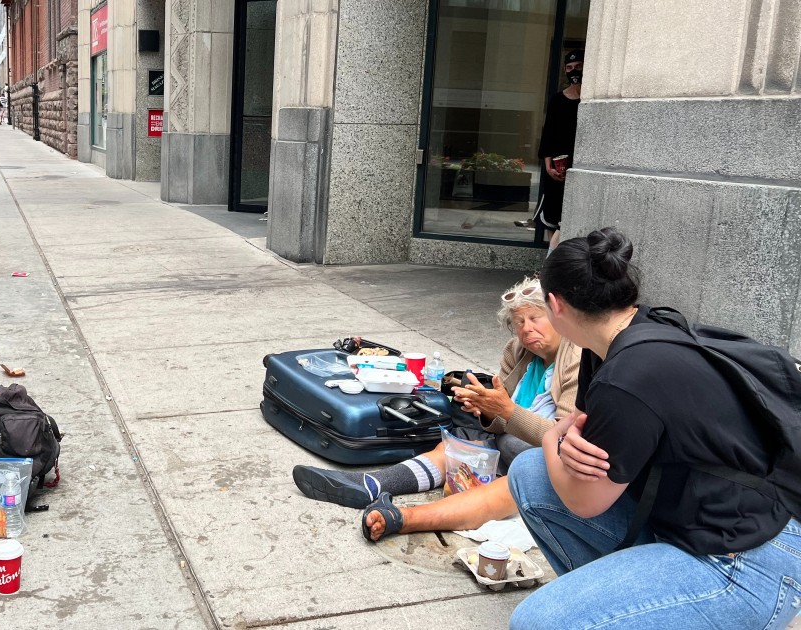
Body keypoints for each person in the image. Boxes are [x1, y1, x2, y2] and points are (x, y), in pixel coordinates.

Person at [506, 228, 801, 628]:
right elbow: (586, 434)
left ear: (555, 306)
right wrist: (566, 440)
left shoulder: (628, 375)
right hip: (707, 523)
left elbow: (584, 502)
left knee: (538, 622)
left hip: (745, 560)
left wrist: (549, 437)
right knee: (530, 474)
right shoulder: (634, 332)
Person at [291, 277, 580, 541]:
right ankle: (371, 484)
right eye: (518, 322)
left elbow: (561, 440)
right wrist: (485, 408)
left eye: (535, 318)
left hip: (549, 463)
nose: (526, 329)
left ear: (556, 316)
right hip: (509, 443)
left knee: (519, 480)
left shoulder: (576, 358)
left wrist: (504, 410)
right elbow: (501, 415)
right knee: (456, 445)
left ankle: (403, 518)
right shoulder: (518, 350)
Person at [520, 49, 583, 248]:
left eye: (578, 67)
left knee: (574, 212)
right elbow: (548, 134)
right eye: (569, 68)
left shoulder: (591, 101)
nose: (574, 71)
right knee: (553, 214)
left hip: (581, 165)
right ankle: (553, 257)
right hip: (558, 166)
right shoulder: (557, 100)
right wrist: (548, 167)